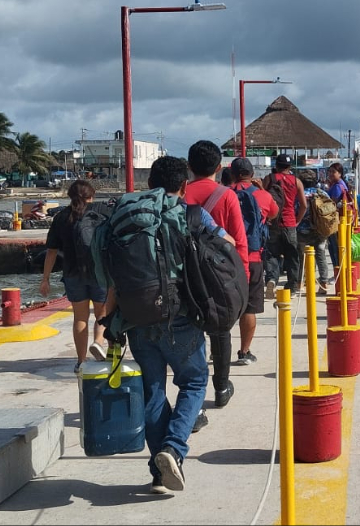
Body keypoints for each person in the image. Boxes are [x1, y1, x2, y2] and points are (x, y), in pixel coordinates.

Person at [101, 155, 233, 494]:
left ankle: (159, 473)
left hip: (136, 317)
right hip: (180, 317)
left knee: (152, 391)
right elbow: (228, 245)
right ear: (183, 184)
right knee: (194, 381)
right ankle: (173, 448)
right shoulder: (191, 214)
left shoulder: (126, 216)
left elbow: (112, 280)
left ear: (150, 185)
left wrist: (108, 322)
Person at [183, 141, 248, 411]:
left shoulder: (179, 193)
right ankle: (221, 387)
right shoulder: (227, 195)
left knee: (190, 334)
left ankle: (192, 397)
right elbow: (239, 241)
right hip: (218, 275)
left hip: (184, 275)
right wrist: (240, 279)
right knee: (221, 332)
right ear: (219, 167)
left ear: (189, 166)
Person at [40, 180, 108, 373]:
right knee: (102, 315)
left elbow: (51, 251)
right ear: (91, 196)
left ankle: (81, 361)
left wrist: (45, 279)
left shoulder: (61, 218)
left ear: (69, 196)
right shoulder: (99, 215)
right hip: (99, 273)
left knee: (80, 319)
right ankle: (98, 342)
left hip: (72, 274)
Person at [230, 158, 278, 366]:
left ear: (232, 174)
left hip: (225, 258)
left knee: (223, 305)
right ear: (252, 174)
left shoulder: (223, 193)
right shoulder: (263, 196)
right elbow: (274, 214)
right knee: (250, 307)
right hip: (253, 258)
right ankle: (244, 352)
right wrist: (263, 190)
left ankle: (219, 350)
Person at [263, 154, 307, 294]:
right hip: (289, 223)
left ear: (276, 166)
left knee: (272, 254)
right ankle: (292, 287)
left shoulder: (269, 179)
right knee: (292, 255)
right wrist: (297, 220)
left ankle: (272, 279)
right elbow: (304, 205)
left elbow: (263, 200)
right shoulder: (297, 181)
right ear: (290, 167)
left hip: (273, 222)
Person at [297, 169, 336, 293]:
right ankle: (324, 283)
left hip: (302, 230)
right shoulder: (322, 193)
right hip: (320, 230)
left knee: (301, 258)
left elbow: (294, 210)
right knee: (320, 256)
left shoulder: (298, 194)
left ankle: (300, 283)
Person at [324, 163, 350, 274]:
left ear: (340, 173)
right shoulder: (341, 184)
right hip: (341, 220)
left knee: (334, 247)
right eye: (329, 171)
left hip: (335, 221)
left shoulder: (337, 187)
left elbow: (332, 204)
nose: (330, 174)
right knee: (337, 246)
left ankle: (338, 271)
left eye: (333, 172)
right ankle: (339, 271)